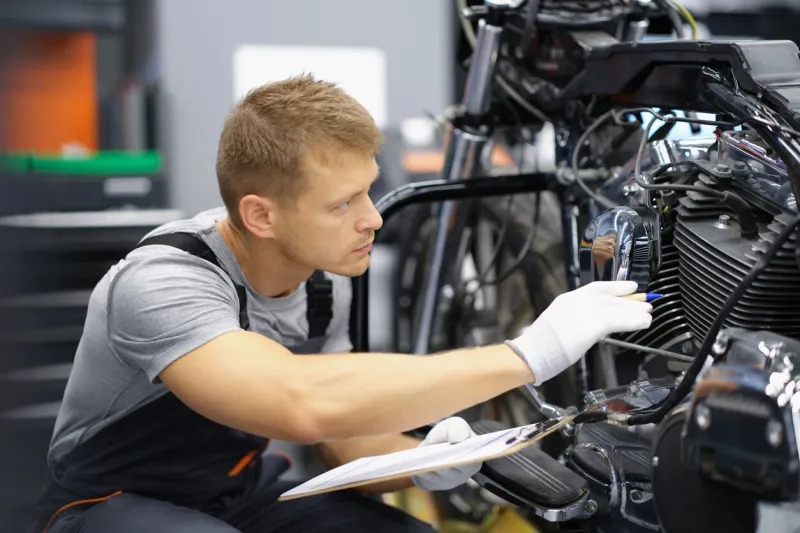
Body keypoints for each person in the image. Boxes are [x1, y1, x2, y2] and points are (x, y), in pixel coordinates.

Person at [30, 75, 653, 533]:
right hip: (102, 503)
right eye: (342, 204)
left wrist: (427, 462)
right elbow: (298, 401)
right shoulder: (163, 281)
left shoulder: (328, 277)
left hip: (237, 492)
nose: (374, 219)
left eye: (368, 192)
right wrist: (529, 354)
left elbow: (339, 439)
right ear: (260, 215)